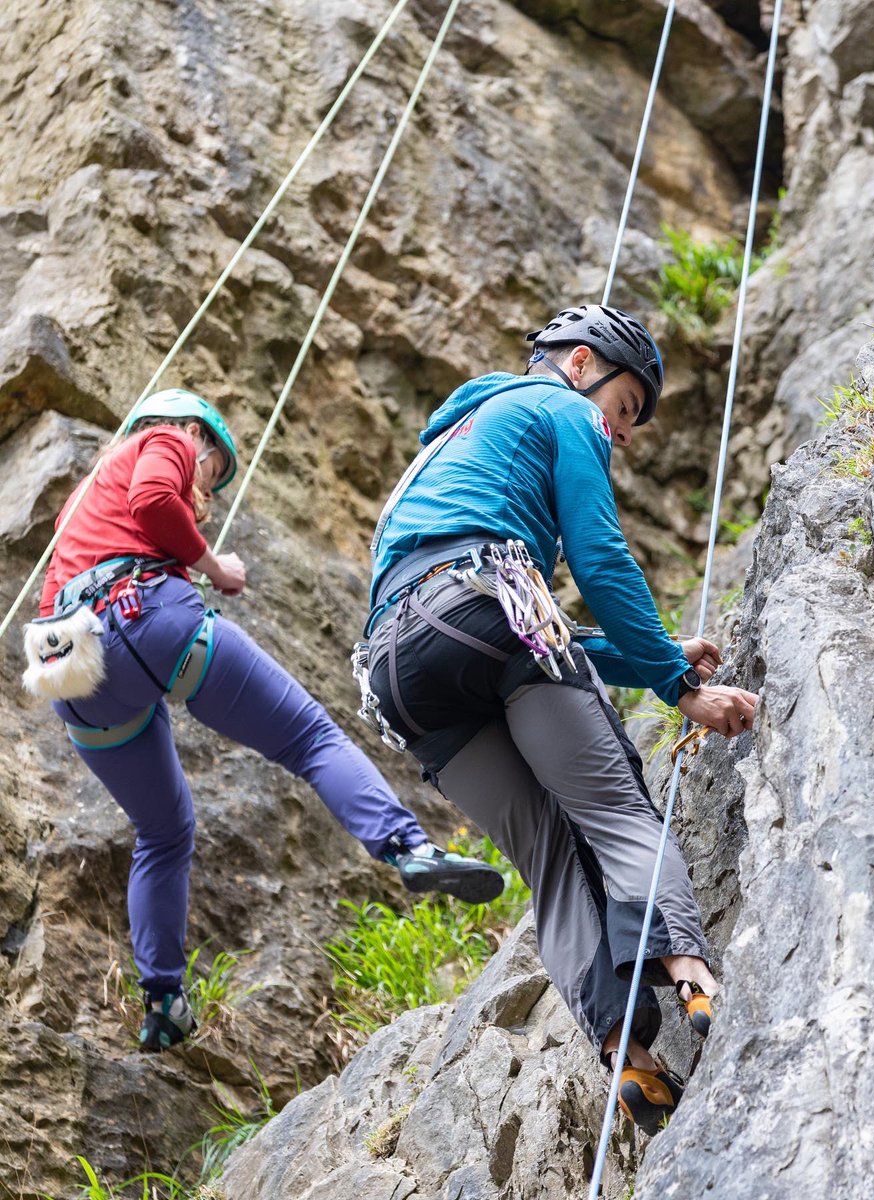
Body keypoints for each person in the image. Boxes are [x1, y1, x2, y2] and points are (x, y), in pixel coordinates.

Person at [362, 304, 759, 1133]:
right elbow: (599, 554)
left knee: (548, 858)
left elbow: (503, 626)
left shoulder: (448, 446)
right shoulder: (560, 407)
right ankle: (692, 975)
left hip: (400, 670)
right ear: (581, 365)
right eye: (621, 410)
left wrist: (647, 651)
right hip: (491, 608)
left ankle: (627, 1052)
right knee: (613, 808)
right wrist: (677, 685)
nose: (616, 432)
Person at [26, 388, 502, 1053]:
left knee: (162, 832)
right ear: (194, 432)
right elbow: (156, 501)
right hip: (144, 616)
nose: (208, 490)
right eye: (213, 470)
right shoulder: (165, 439)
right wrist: (214, 566)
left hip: (72, 676)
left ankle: (163, 1002)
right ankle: (408, 849)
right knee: (310, 738)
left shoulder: (81, 505)